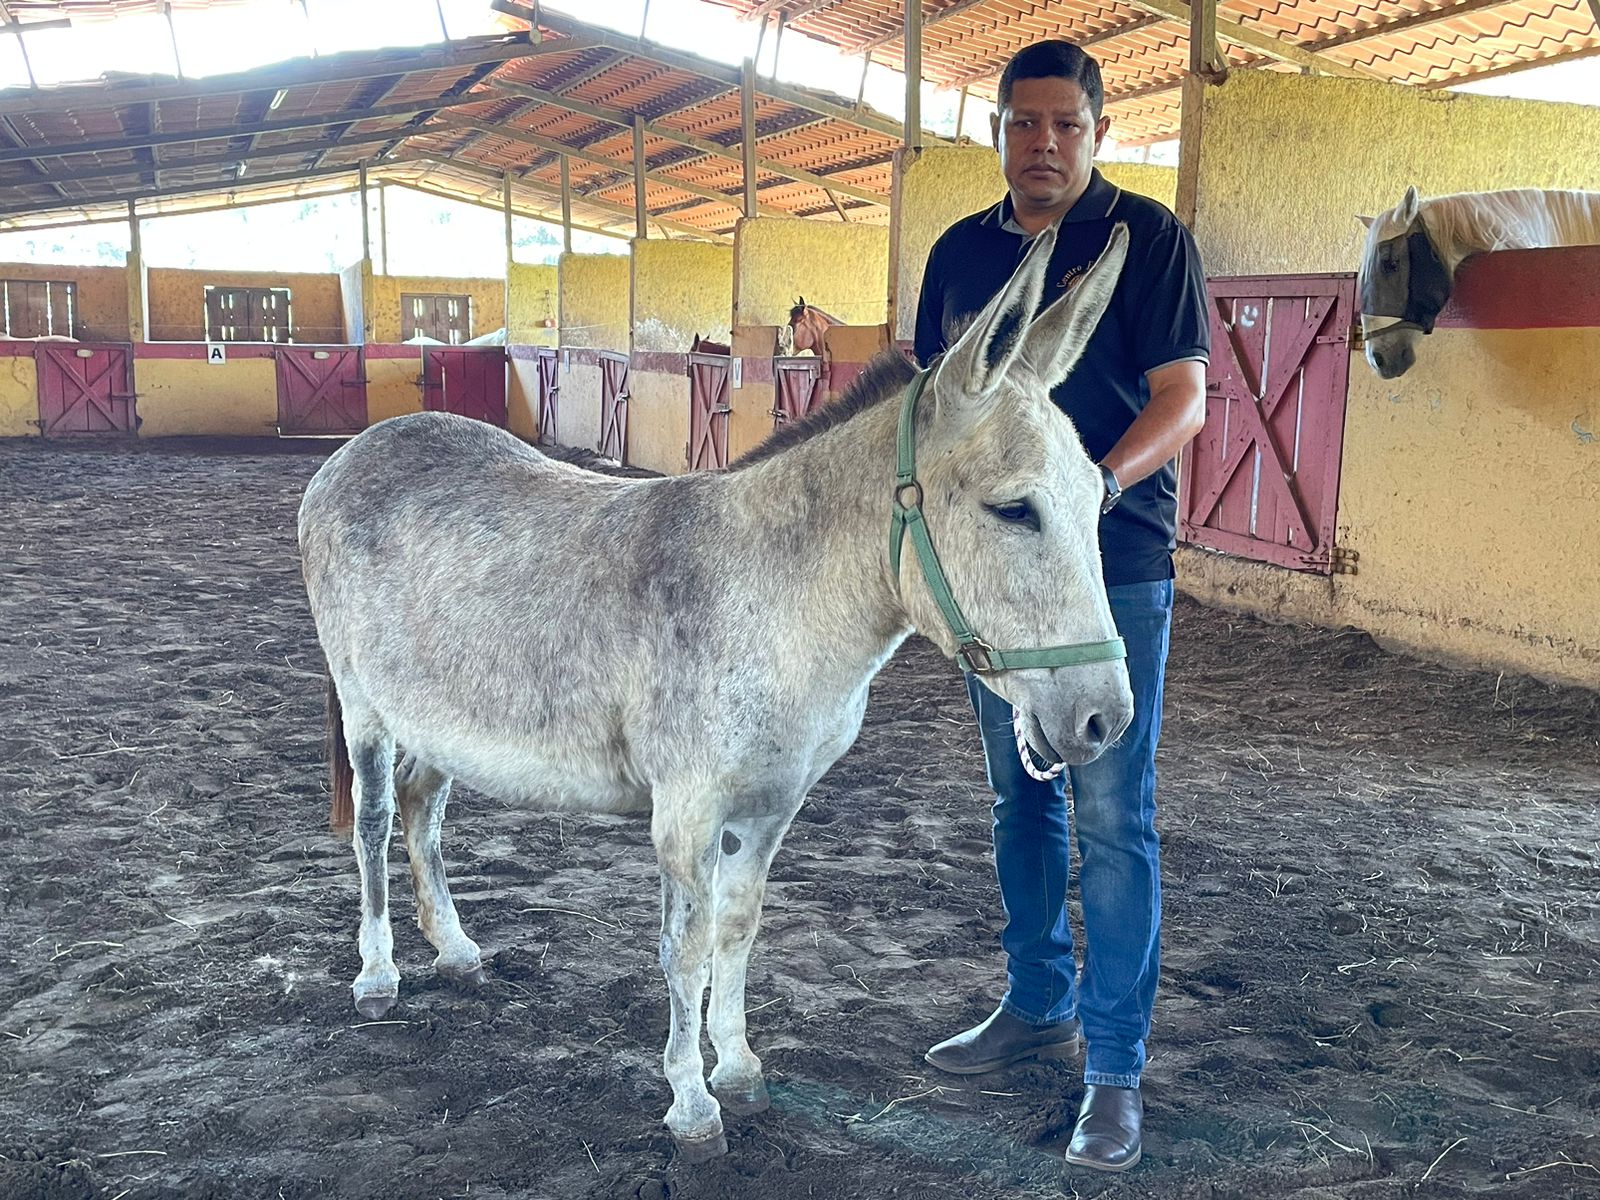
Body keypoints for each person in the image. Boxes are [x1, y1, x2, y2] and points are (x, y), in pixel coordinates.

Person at [913, 39, 1209, 1174]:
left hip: (1109, 563)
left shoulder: (1148, 243)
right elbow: (934, 415)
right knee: (1016, 801)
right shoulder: (957, 254)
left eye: (1064, 126)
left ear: (1096, 131)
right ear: (998, 132)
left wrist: (1096, 487)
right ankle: (1035, 1000)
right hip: (994, 576)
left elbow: (1184, 398)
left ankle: (1115, 1070)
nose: (1043, 145)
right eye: (1022, 125)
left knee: (1111, 819)